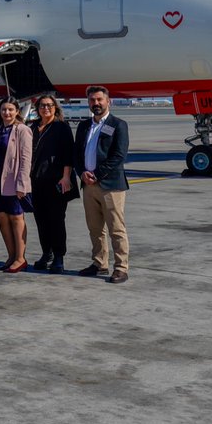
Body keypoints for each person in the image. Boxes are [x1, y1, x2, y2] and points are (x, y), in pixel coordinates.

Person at [74, 86, 131, 283]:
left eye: (99, 99)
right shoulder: (83, 126)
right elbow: (77, 154)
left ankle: (121, 267)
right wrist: (81, 172)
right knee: (95, 228)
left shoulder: (118, 124)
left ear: (109, 102)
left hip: (110, 186)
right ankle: (99, 263)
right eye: (92, 100)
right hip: (88, 186)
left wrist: (96, 174)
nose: (96, 103)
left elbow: (118, 156)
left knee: (116, 228)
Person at [30, 95, 77, 273]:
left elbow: (68, 153)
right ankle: (46, 253)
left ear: (55, 108)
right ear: (38, 108)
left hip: (56, 181)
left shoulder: (61, 127)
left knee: (56, 220)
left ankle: (59, 257)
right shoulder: (33, 127)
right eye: (42, 105)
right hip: (36, 181)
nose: (46, 108)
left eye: (49, 105)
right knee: (41, 220)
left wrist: (66, 177)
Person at [0, 97, 33, 273]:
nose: (6, 113)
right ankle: (11, 255)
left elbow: (25, 159)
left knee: (16, 218)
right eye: (3, 110)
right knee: (1, 218)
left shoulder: (22, 130)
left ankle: (20, 258)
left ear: (17, 111)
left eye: (10, 110)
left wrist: (22, 184)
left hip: (12, 182)